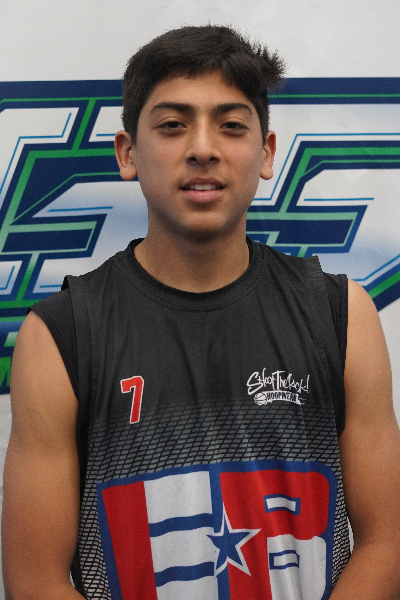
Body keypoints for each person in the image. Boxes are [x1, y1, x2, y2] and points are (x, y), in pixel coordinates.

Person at [2, 24, 400, 600]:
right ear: (127, 153)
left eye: (232, 125)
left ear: (266, 153)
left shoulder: (341, 315)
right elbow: (34, 581)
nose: (203, 148)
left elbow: (386, 543)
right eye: (172, 125)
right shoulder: (60, 336)